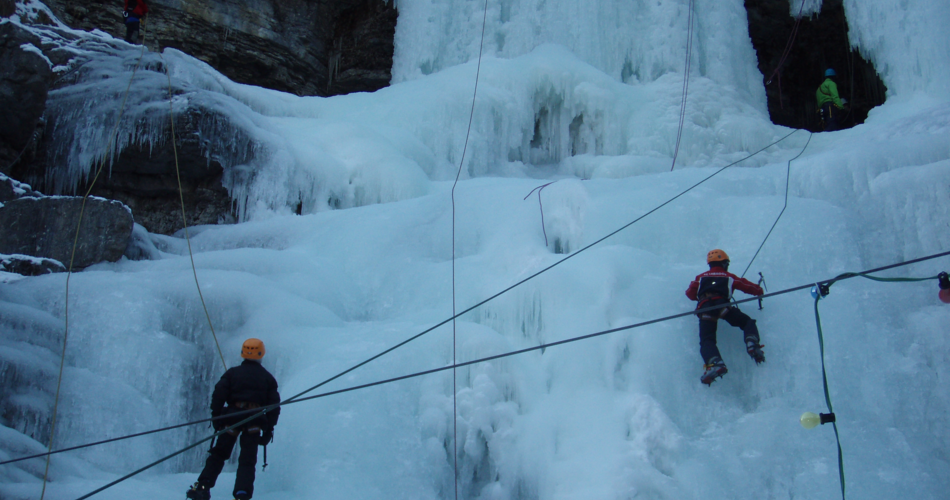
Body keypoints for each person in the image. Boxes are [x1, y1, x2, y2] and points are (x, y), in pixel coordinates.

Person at [187, 339, 280, 500]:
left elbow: (218, 394)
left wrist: (216, 416)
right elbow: (274, 406)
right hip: (254, 421)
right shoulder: (268, 378)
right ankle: (242, 494)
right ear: (261, 354)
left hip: (232, 418)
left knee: (219, 453)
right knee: (247, 460)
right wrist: (269, 429)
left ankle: (202, 487)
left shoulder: (232, 373)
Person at [685, 249, 765, 385]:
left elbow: (690, 293)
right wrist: (759, 291)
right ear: (724, 263)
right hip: (722, 306)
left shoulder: (700, 277)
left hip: (705, 309)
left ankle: (715, 363)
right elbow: (747, 286)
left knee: (707, 340)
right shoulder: (728, 276)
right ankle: (751, 343)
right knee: (746, 322)